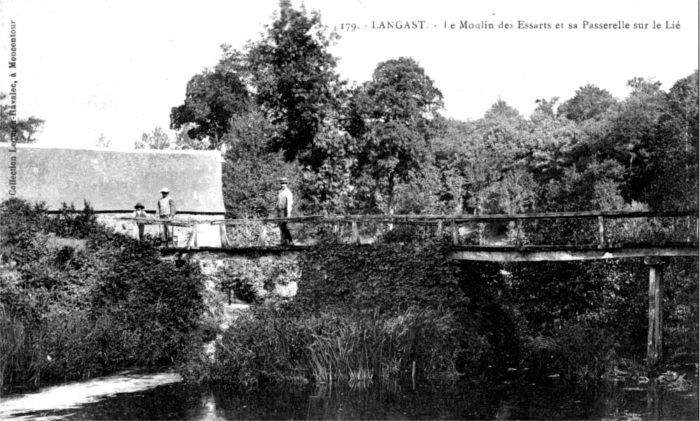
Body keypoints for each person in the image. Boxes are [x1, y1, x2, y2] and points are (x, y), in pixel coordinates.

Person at [276, 177, 294, 245]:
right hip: (279, 211)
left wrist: (289, 213)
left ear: (286, 184)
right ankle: (283, 242)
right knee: (281, 226)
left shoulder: (288, 192)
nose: (283, 184)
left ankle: (290, 240)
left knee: (284, 226)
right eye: (282, 183)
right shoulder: (279, 191)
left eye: (284, 183)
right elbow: (278, 201)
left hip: (284, 211)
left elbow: (289, 203)